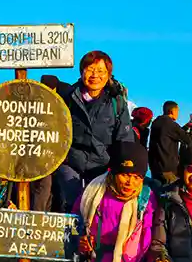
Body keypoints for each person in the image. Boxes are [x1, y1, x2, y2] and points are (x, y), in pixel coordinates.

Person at [53, 50, 134, 212]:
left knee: (96, 210)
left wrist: (123, 168)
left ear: (108, 74)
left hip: (102, 167)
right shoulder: (68, 98)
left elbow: (125, 139)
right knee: (71, 208)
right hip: (70, 164)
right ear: (81, 72)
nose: (95, 75)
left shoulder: (116, 102)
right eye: (90, 69)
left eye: (101, 71)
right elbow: (55, 130)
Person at [148, 101, 192, 185]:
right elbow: (189, 140)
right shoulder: (171, 124)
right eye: (177, 111)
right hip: (168, 170)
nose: (178, 113)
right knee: (171, 192)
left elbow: (172, 134)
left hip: (156, 168)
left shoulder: (156, 122)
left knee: (157, 191)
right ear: (172, 111)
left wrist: (186, 126)